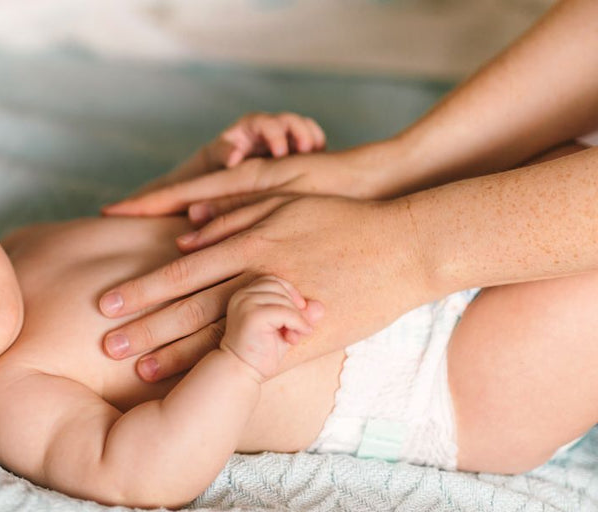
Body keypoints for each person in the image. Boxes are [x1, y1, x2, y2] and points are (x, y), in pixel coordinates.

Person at [0, 176, 596, 507]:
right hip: (431, 380)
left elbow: (165, 225)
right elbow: (144, 471)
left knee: (565, 163)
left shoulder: (25, 247)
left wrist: (226, 167)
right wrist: (236, 362)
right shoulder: (12, 395)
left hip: (409, 249)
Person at [96, 0, 598, 388]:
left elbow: (137, 476)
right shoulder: (19, 387)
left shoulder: (17, 269)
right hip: (437, 373)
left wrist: (406, 246)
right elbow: (135, 473)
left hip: (420, 355)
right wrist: (395, 169)